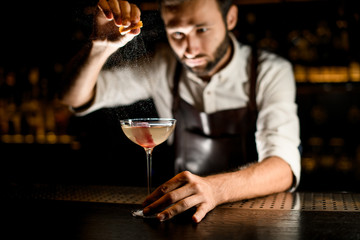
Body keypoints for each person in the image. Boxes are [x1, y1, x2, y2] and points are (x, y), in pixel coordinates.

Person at [60, 0, 301, 223]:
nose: (190, 49)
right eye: (177, 33)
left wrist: (215, 189)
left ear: (230, 18)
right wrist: (100, 46)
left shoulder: (270, 71)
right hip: (182, 215)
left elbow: (283, 169)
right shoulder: (163, 65)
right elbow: (73, 97)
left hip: (256, 217)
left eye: (202, 30)